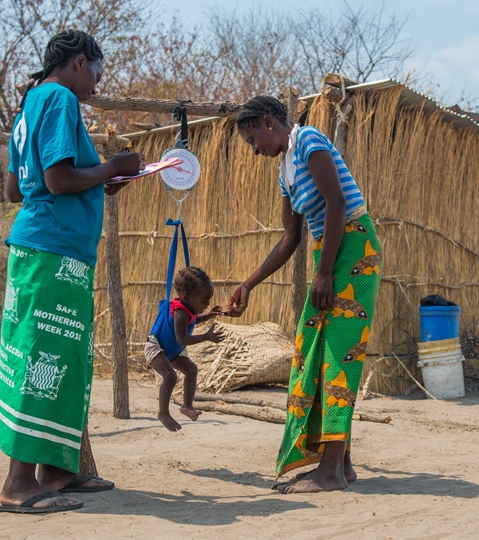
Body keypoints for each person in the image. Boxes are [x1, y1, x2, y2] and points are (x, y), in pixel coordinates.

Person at [0, 29, 145, 514]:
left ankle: (55, 471)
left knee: (57, 358)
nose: (97, 85)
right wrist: (112, 165)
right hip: (54, 250)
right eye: (97, 73)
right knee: (45, 358)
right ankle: (18, 486)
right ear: (80, 62)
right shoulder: (58, 98)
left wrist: (103, 179)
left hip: (38, 249)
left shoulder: (29, 103)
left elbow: (18, 190)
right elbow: (58, 180)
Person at [227, 96, 383, 494]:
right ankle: (340, 464)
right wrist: (248, 283)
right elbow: (289, 237)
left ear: (268, 122)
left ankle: (330, 470)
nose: (253, 148)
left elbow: (337, 203)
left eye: (251, 140)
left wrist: (326, 272)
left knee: (339, 355)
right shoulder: (285, 169)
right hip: (326, 254)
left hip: (352, 249)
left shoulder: (309, 140)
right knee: (312, 354)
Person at [145, 266, 225, 432]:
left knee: (191, 370)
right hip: (157, 346)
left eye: (209, 300)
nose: (207, 303)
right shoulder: (180, 311)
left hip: (171, 349)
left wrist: (209, 314)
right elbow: (182, 338)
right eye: (204, 301)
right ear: (187, 297)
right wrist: (206, 337)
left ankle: (187, 406)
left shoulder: (188, 308)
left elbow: (193, 320)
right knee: (170, 376)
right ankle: (163, 412)